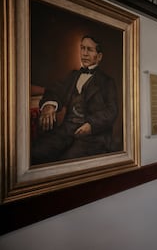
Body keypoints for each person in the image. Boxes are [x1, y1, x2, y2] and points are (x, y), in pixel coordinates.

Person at [31, 35, 118, 165]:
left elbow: (112, 111)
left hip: (93, 137)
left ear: (99, 56)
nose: (84, 53)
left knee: (67, 162)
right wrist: (49, 106)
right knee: (37, 153)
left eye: (89, 49)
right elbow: (54, 91)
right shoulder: (73, 76)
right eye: (82, 48)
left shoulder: (107, 82)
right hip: (66, 131)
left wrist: (91, 125)